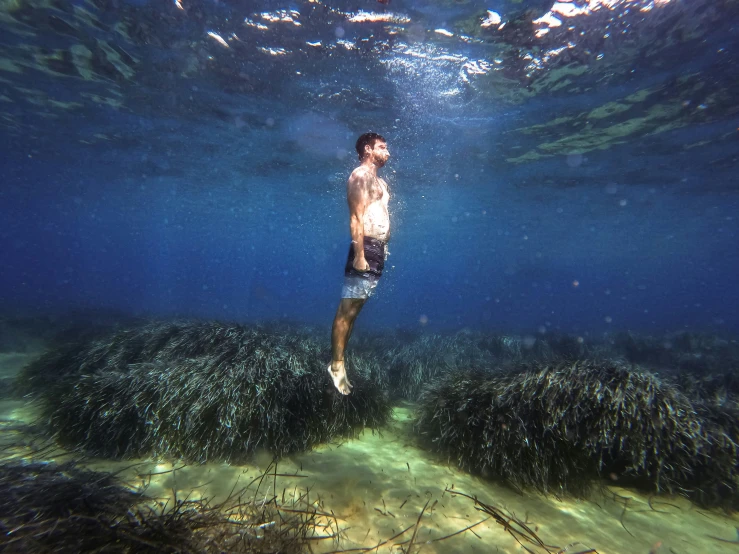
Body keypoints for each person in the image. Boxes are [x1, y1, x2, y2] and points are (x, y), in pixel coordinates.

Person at [328, 133, 391, 395]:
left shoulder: (381, 181)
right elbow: (356, 218)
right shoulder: (359, 176)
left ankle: (340, 360)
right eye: (382, 147)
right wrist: (359, 255)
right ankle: (336, 364)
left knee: (355, 311)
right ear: (368, 149)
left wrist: (380, 249)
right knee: (347, 309)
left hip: (378, 251)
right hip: (365, 249)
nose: (388, 152)